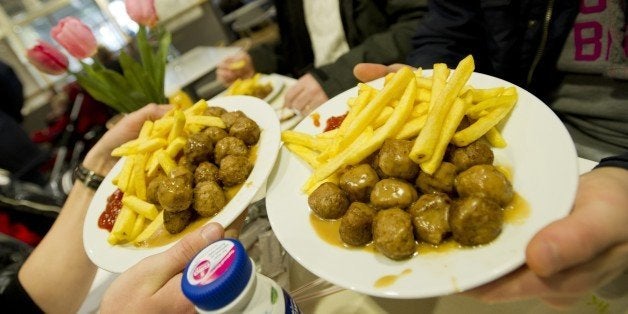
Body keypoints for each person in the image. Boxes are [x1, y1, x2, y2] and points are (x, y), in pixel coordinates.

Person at [216, 0, 427, 114]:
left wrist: (332, 78)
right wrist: (258, 60)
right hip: (314, 104)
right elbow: (300, 42)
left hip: (378, 97)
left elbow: (417, 23)